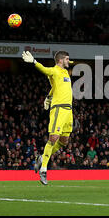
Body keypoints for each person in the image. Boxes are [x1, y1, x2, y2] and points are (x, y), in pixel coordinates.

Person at [22, 50, 73, 185]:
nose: (69, 61)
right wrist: (34, 61)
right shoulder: (54, 70)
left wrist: (49, 96)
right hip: (59, 109)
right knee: (53, 138)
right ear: (61, 60)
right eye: (67, 59)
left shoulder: (65, 72)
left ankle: (42, 157)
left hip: (69, 110)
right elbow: (44, 70)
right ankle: (43, 169)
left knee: (64, 141)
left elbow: (56, 87)